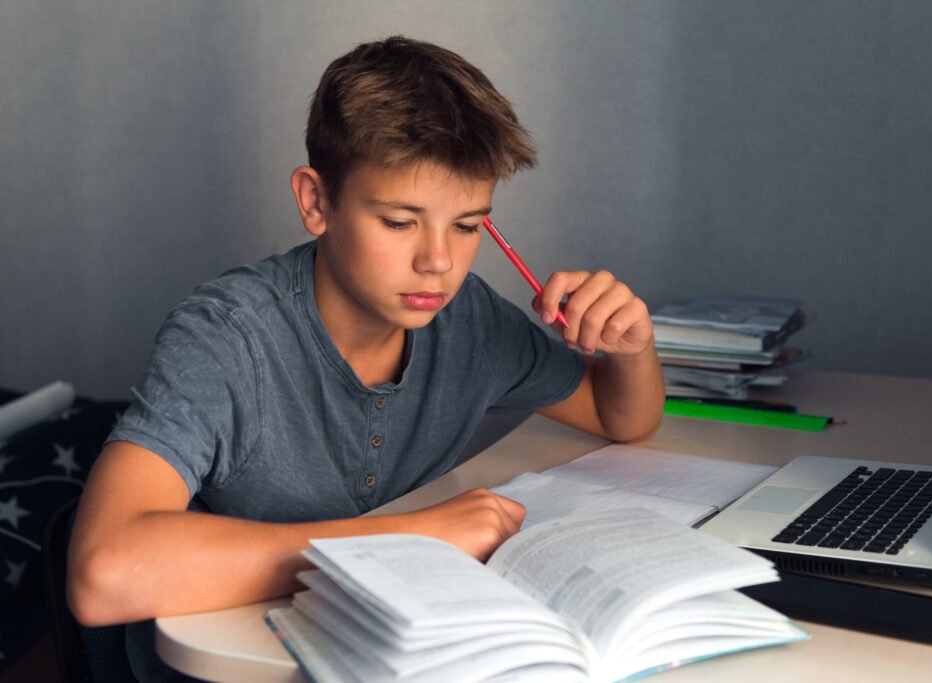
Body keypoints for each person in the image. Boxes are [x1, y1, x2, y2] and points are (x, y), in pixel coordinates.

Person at [68, 35, 664, 679]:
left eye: (467, 226)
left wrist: (633, 348)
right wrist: (409, 538)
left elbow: (619, 415)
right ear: (316, 201)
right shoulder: (226, 337)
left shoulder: (467, 321)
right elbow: (103, 573)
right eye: (400, 221)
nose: (439, 261)